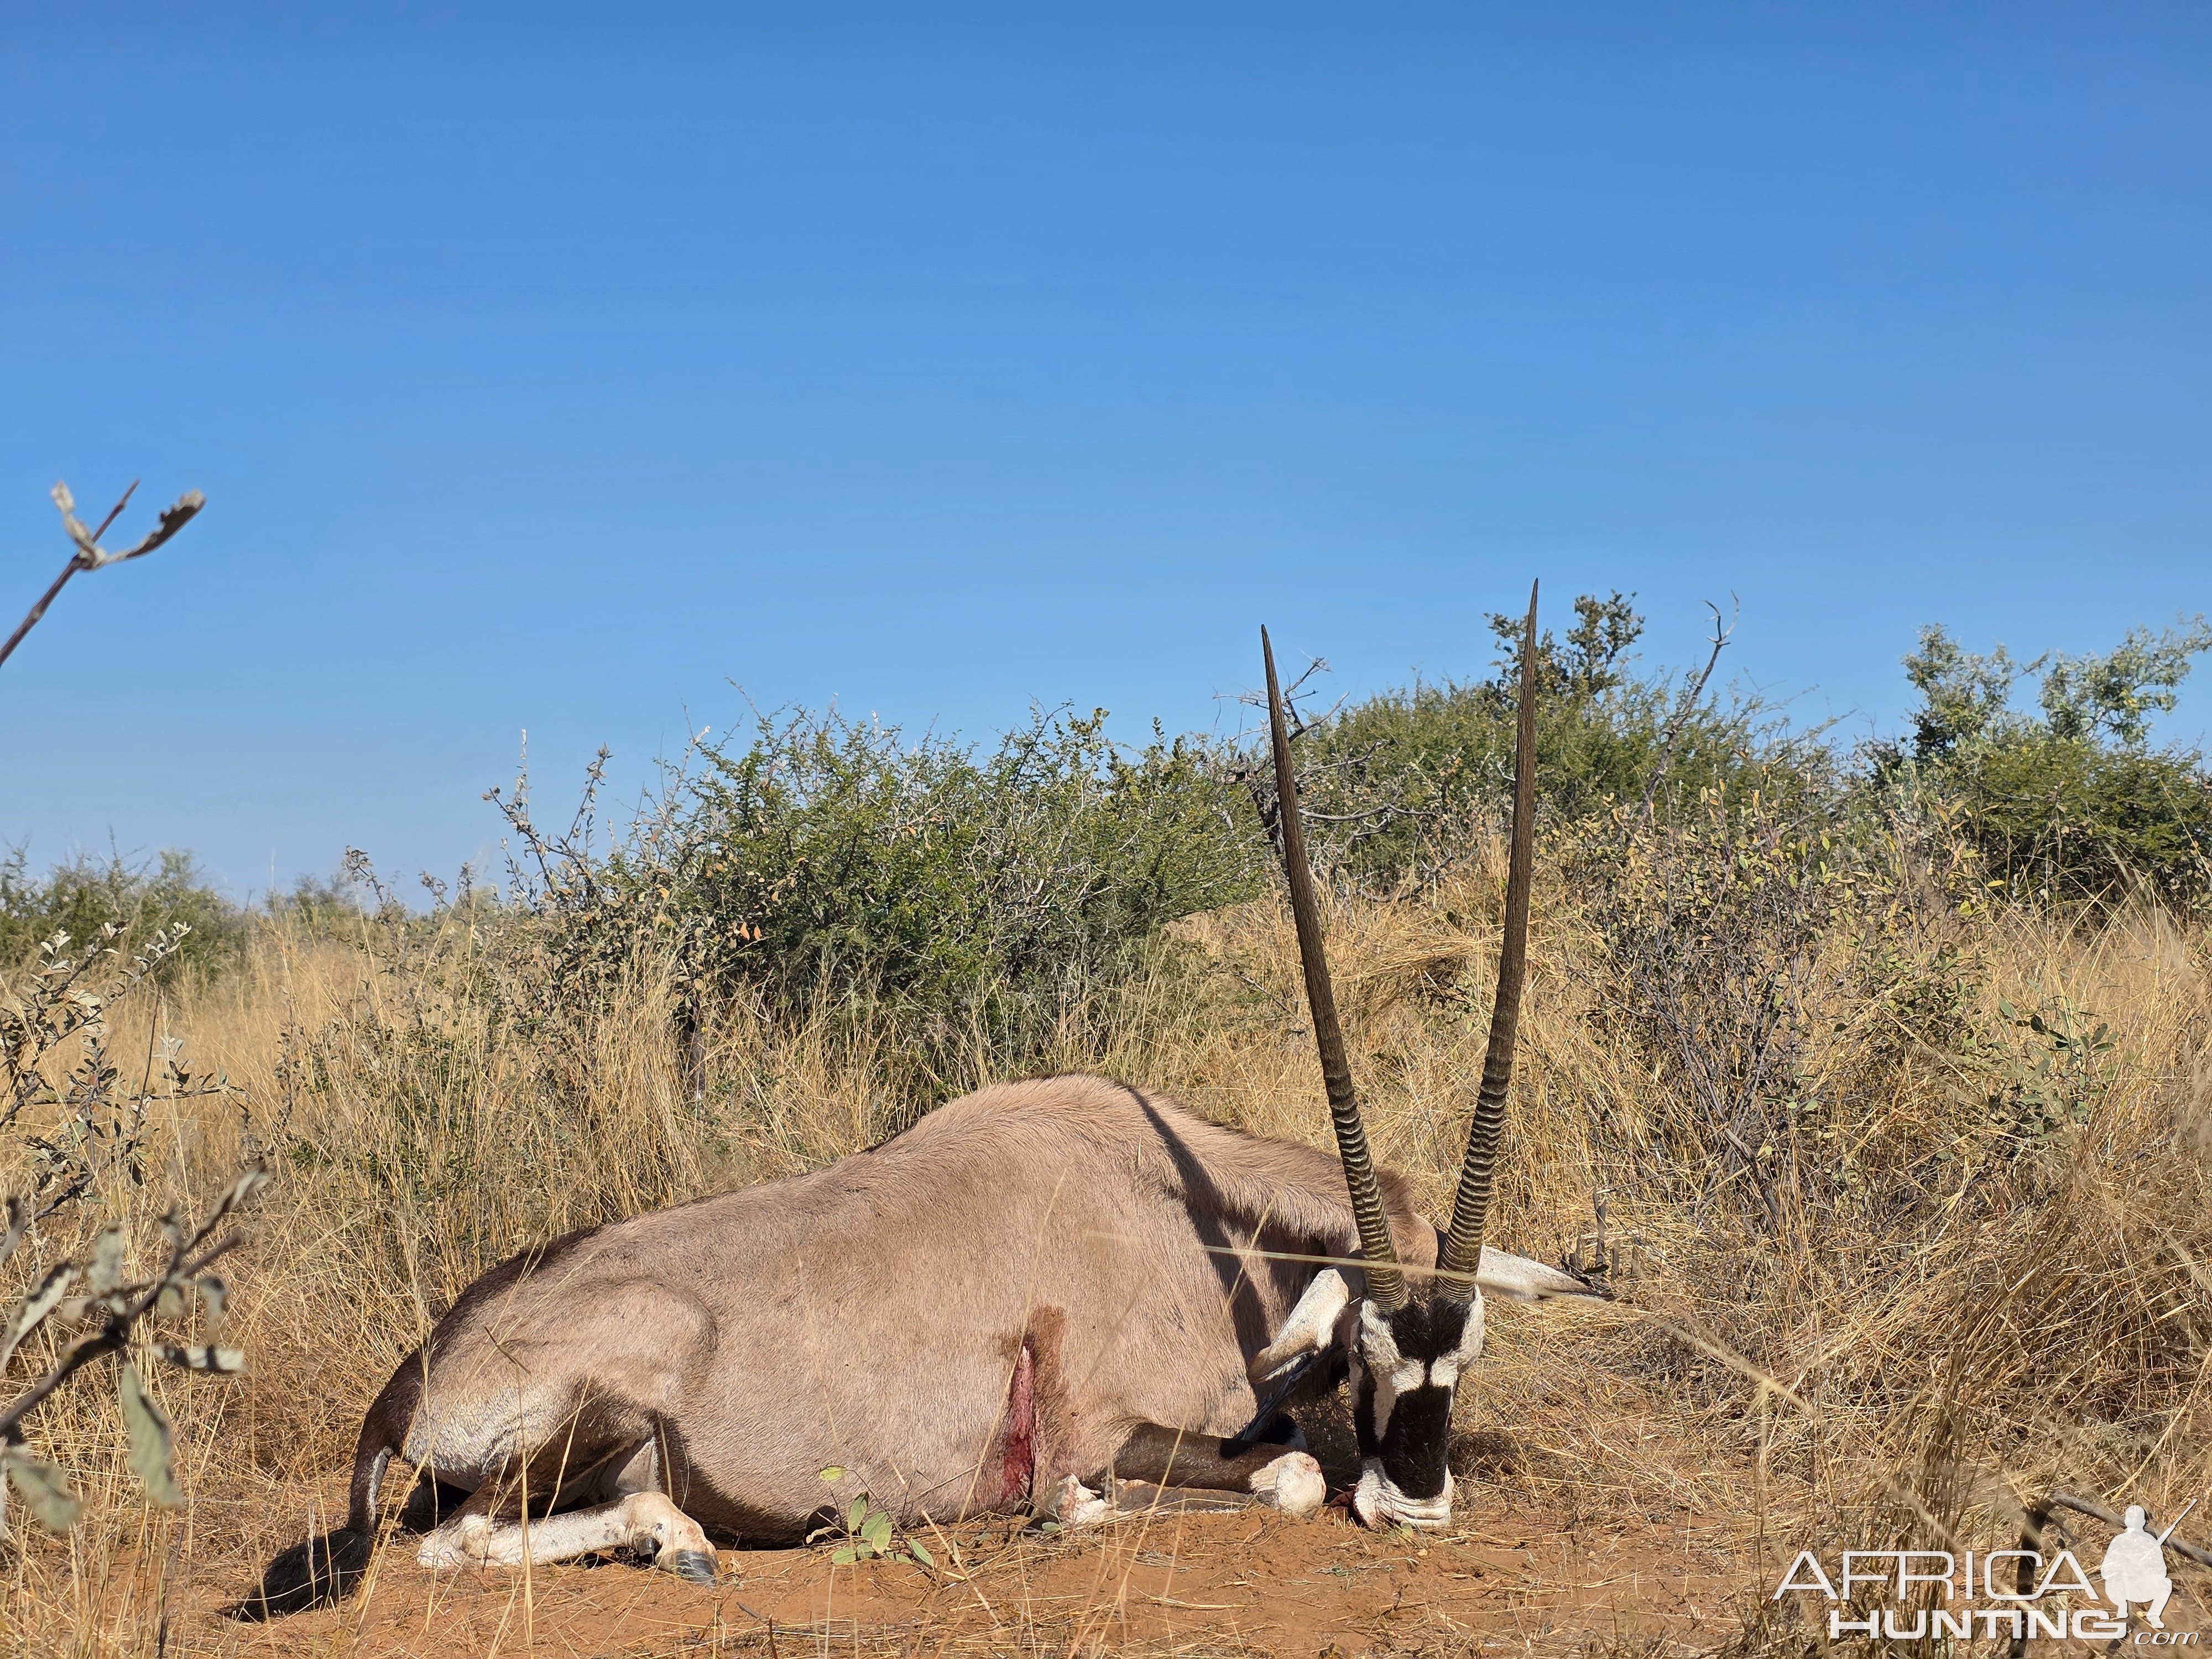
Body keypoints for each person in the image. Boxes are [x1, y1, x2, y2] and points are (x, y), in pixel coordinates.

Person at [2100, 1507, 2174, 1629]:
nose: (2134, 1522)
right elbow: (2106, 1569)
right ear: (2126, 1521)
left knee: (2166, 1583)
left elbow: (2162, 1570)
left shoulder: (2150, 1541)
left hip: (2143, 1586)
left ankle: (2154, 1615)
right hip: (2123, 1588)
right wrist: (2125, 1567)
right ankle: (2123, 1607)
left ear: (2144, 1522)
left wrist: (2145, 1569)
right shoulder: (2119, 1541)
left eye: (2138, 1519)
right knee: (2115, 1581)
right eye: (2131, 1518)